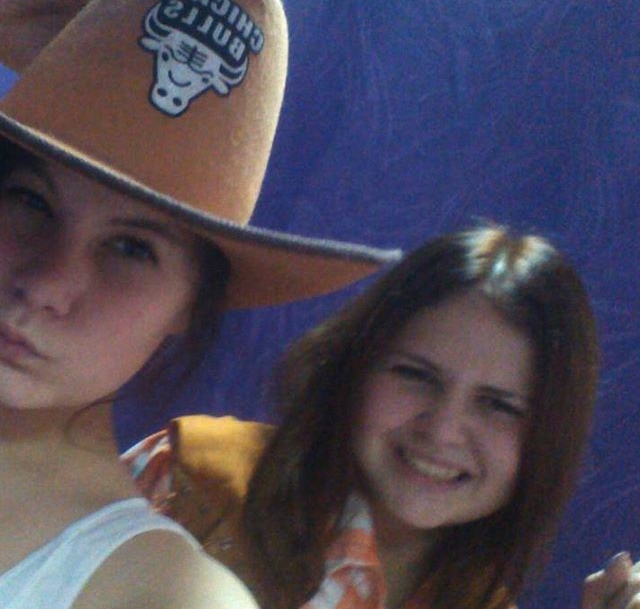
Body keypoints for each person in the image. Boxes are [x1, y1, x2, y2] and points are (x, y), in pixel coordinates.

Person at [0, 0, 400, 606]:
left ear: (191, 303)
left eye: (132, 249)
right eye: (30, 201)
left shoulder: (171, 595)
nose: (49, 284)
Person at [126, 224, 633, 609]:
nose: (443, 430)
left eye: (499, 405)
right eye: (417, 375)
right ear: (357, 366)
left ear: (549, 439)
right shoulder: (188, 480)